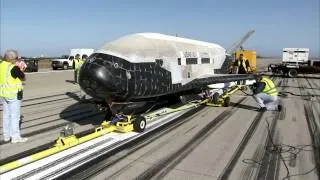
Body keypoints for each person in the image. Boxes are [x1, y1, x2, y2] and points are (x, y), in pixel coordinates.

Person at [0, 49, 28, 143]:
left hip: (3, 94)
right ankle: (15, 137)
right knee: (15, 116)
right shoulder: (13, 67)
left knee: (6, 115)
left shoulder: (1, 65)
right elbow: (23, 78)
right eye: (16, 58)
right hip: (13, 95)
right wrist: (22, 69)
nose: (17, 60)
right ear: (11, 58)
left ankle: (6, 136)